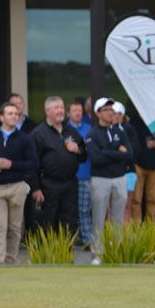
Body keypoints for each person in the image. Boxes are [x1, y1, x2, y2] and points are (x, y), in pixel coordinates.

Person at [0, 102, 38, 264]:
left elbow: (33, 163)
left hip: (17, 186)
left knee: (15, 227)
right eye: (10, 113)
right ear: (1, 117)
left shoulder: (24, 139)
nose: (14, 116)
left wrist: (12, 164)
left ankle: (11, 260)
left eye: (16, 114)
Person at [29, 96, 85, 237]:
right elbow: (31, 165)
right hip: (48, 185)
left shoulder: (71, 131)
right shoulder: (38, 134)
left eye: (61, 107)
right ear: (47, 111)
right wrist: (35, 188)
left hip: (70, 184)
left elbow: (84, 156)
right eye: (56, 108)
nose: (60, 110)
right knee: (48, 222)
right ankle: (49, 251)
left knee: (69, 222)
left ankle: (67, 251)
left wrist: (78, 150)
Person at [85, 97, 134, 258]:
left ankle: (115, 252)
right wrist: (117, 152)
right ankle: (98, 254)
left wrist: (106, 152)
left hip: (120, 178)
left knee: (118, 219)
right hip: (100, 180)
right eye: (105, 110)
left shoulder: (120, 131)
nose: (110, 113)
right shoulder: (92, 134)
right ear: (98, 113)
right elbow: (96, 159)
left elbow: (129, 155)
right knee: (99, 218)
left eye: (112, 109)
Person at [67, 99, 93, 246]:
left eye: (80, 111)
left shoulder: (89, 129)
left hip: (85, 175)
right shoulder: (64, 129)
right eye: (74, 111)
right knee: (69, 210)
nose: (77, 113)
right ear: (68, 113)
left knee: (84, 210)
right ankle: (71, 238)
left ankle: (87, 239)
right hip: (68, 176)